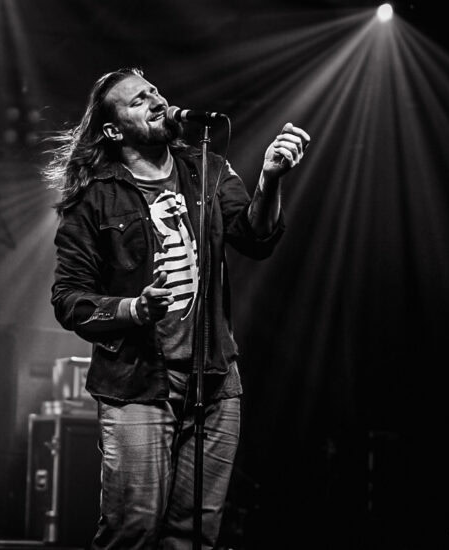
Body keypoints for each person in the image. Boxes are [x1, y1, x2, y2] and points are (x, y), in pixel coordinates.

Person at [46, 67, 310, 550]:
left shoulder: (207, 168)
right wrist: (133, 308)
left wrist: (270, 179)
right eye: (137, 100)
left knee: (195, 535)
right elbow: (69, 300)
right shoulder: (94, 197)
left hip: (215, 380)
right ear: (114, 131)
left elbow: (256, 238)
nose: (155, 101)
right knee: (132, 529)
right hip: (137, 385)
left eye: (154, 92)